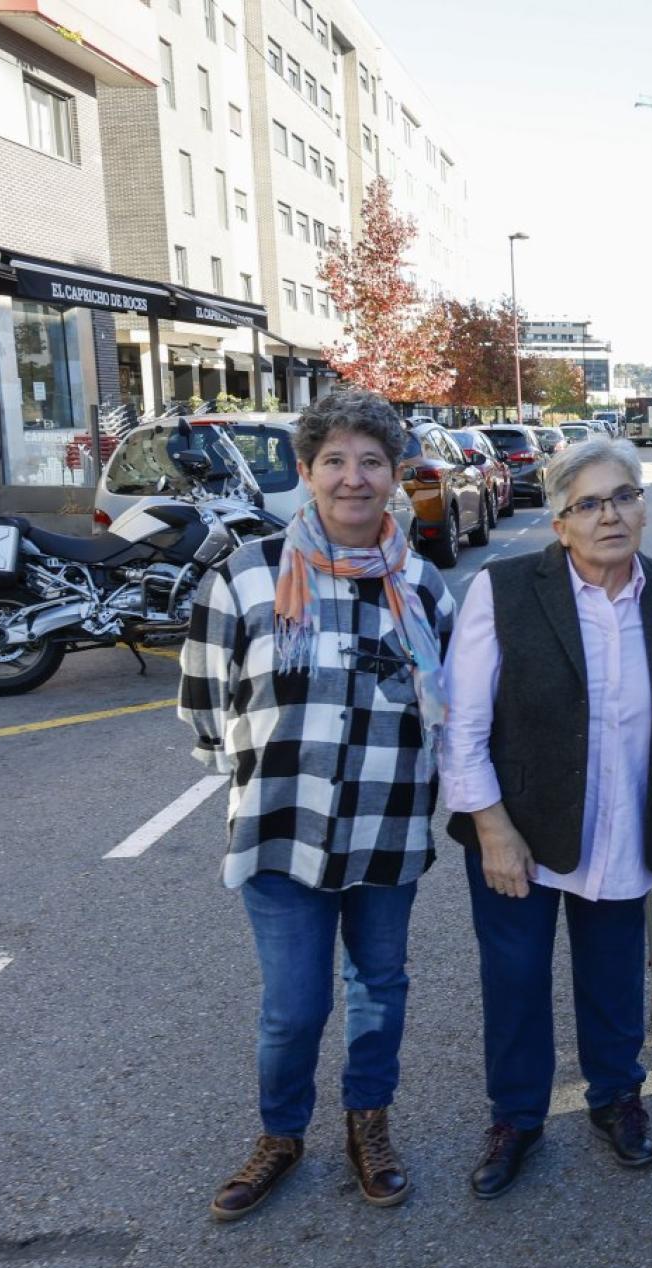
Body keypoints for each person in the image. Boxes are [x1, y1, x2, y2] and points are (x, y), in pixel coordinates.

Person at [179, 388, 454, 1220]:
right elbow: (205, 706)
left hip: (386, 828)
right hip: (280, 833)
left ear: (395, 475)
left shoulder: (422, 585)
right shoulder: (246, 576)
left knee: (380, 986)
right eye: (333, 460)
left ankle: (368, 1122)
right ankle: (281, 1134)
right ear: (305, 472)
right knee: (294, 1005)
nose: (353, 478)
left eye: (371, 461)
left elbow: (453, 708)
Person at [441, 438, 652, 1198]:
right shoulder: (505, 589)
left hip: (622, 815)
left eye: (623, 496)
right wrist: (490, 825)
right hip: (515, 824)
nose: (609, 515)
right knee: (516, 977)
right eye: (588, 504)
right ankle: (517, 1117)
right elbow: (462, 721)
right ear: (560, 524)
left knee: (613, 974)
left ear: (643, 507)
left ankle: (616, 1097)